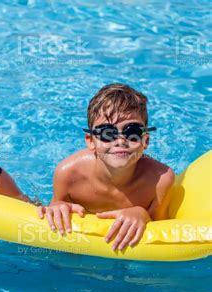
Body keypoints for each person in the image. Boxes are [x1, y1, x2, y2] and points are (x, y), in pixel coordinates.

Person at [38, 83, 175, 251]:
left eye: (132, 131)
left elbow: (163, 233)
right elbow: (56, 214)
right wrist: (57, 206)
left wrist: (143, 214)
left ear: (145, 141)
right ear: (90, 141)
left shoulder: (159, 181)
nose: (120, 141)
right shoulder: (69, 173)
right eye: (107, 133)